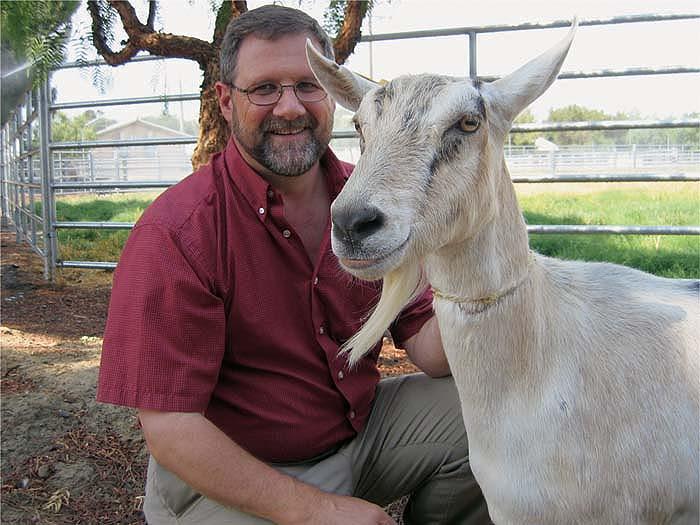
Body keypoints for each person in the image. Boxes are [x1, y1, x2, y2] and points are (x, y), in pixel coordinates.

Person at [97, 5, 489, 524]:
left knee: (489, 419)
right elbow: (170, 428)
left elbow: (432, 352)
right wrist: (315, 512)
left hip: (357, 436)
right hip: (233, 475)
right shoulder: (178, 231)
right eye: (264, 89)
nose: (290, 108)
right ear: (224, 101)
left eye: (308, 86)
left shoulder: (368, 202)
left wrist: (477, 269)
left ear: (332, 95)